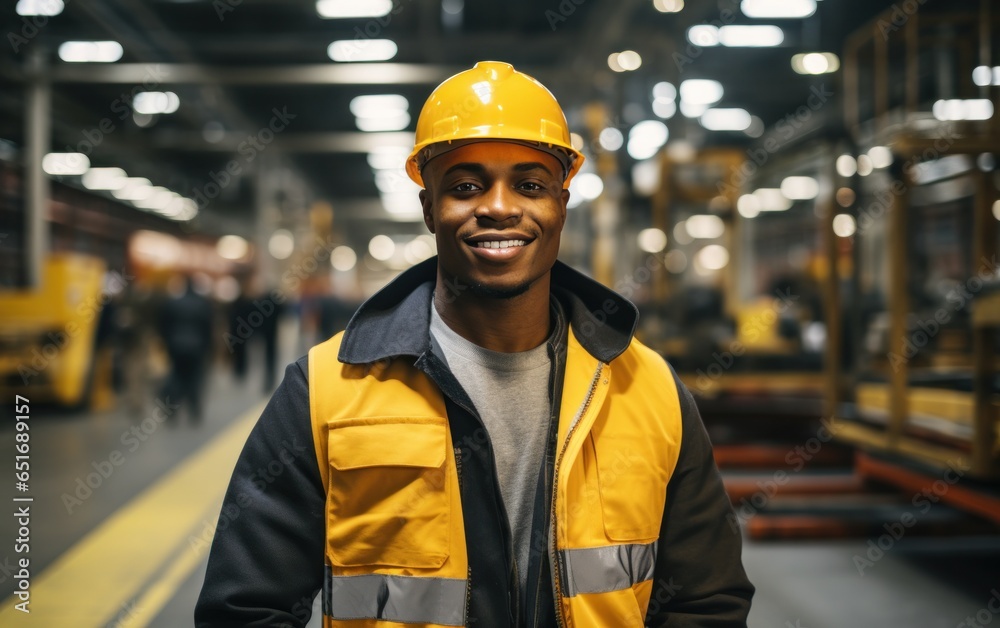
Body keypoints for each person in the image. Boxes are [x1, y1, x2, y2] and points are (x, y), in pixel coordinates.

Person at [195, 61, 753, 627]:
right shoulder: (326, 391)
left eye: (530, 185)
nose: (499, 206)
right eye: (466, 186)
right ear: (429, 208)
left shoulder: (648, 388)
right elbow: (245, 610)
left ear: (561, 204)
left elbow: (706, 601)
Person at [158, 274, 213, 422]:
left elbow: (164, 325)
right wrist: (208, 346)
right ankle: (194, 410)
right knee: (194, 377)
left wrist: (167, 343)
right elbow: (207, 327)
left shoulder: (173, 303)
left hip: (176, 345)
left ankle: (171, 409)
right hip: (196, 346)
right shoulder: (202, 304)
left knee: (176, 375)